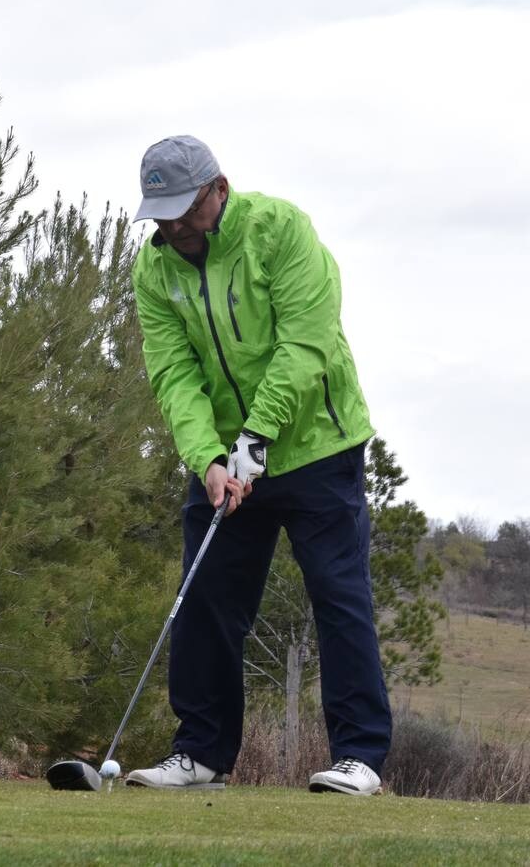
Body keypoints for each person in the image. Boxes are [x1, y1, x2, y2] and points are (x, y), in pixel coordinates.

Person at [123, 135, 390, 796]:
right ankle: (201, 755)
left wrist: (258, 435)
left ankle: (357, 757)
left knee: (337, 595)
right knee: (206, 598)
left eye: (185, 208)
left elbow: (307, 342)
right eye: (161, 212)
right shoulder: (155, 270)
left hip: (317, 447)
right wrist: (208, 457)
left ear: (220, 189)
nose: (175, 225)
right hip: (225, 461)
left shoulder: (280, 231)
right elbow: (172, 369)